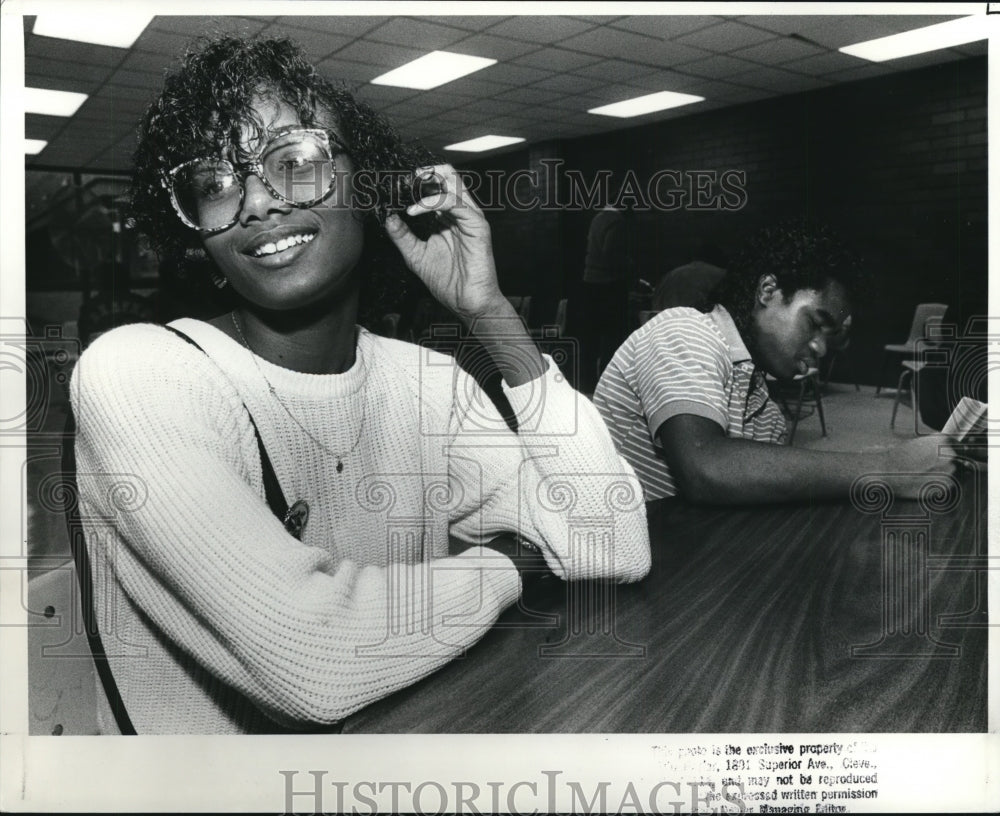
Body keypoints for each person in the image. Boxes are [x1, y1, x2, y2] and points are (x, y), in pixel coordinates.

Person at [69, 35, 650, 734]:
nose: (255, 203)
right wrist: (515, 562)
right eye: (216, 184)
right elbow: (313, 659)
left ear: (367, 186)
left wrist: (489, 314)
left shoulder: (430, 383)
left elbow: (612, 542)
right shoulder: (140, 373)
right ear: (201, 237)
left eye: (294, 161)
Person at [593, 221, 958, 504]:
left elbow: (757, 487)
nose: (820, 348)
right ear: (768, 291)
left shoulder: (765, 411)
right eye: (815, 323)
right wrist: (886, 469)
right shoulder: (685, 330)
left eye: (829, 338)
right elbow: (705, 467)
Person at [579, 204, 633, 392]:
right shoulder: (617, 221)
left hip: (591, 282)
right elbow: (611, 253)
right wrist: (628, 265)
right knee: (613, 336)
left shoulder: (597, 218)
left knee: (592, 336)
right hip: (609, 284)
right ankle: (608, 385)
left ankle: (587, 383)